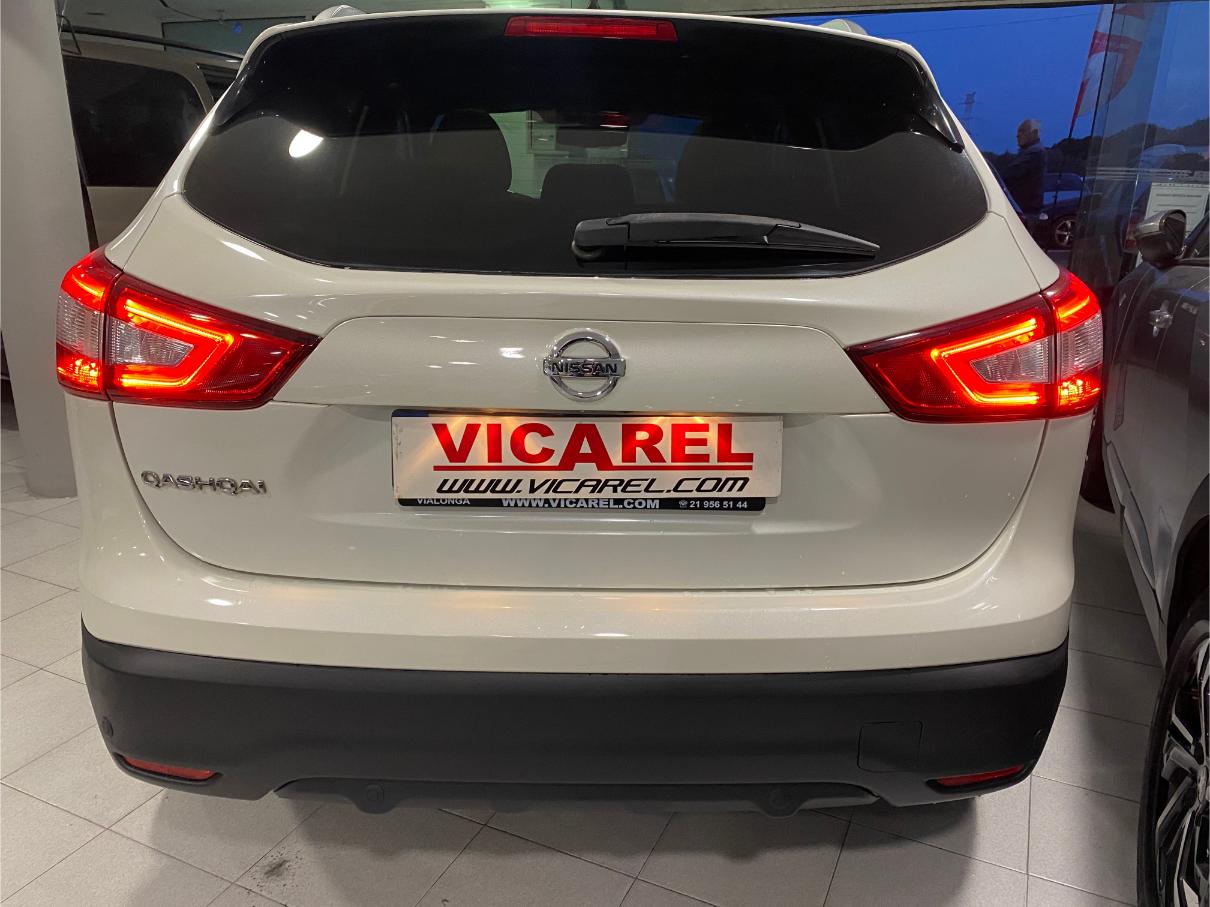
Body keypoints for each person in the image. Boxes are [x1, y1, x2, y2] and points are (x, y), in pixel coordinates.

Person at [1000, 119, 1046, 219]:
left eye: (1022, 131)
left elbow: (1009, 174)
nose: (1018, 135)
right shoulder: (1029, 152)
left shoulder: (1034, 152)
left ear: (1034, 133)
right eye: (1018, 132)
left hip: (1025, 212)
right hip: (1024, 210)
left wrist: (993, 178)